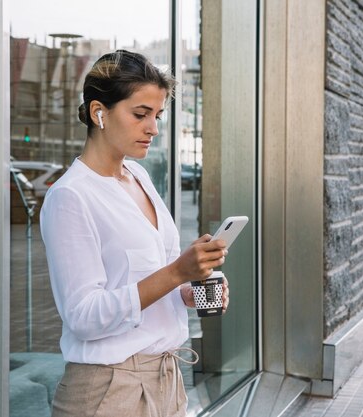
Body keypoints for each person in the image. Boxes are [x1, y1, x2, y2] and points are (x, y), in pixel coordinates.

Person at [40, 50, 229, 417]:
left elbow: (146, 279)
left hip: (166, 380)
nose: (153, 128)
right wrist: (177, 272)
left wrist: (188, 290)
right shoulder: (70, 196)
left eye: (157, 116)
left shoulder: (138, 177)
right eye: (141, 114)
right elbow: (82, 316)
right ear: (99, 112)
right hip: (108, 391)